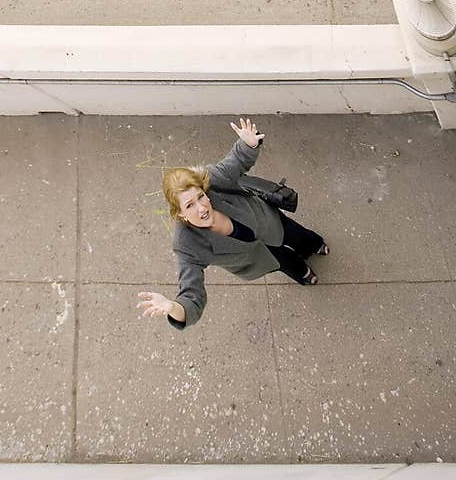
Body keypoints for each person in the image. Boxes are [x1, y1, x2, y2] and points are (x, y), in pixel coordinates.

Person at [137, 117, 329, 330]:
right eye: (190, 205)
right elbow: (192, 297)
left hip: (268, 221)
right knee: (284, 262)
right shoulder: (187, 245)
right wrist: (173, 307)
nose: (202, 207)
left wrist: (248, 143)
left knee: (298, 234)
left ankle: (315, 245)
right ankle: (302, 272)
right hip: (256, 259)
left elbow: (235, 162)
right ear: (180, 214)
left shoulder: (212, 180)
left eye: (200, 196)